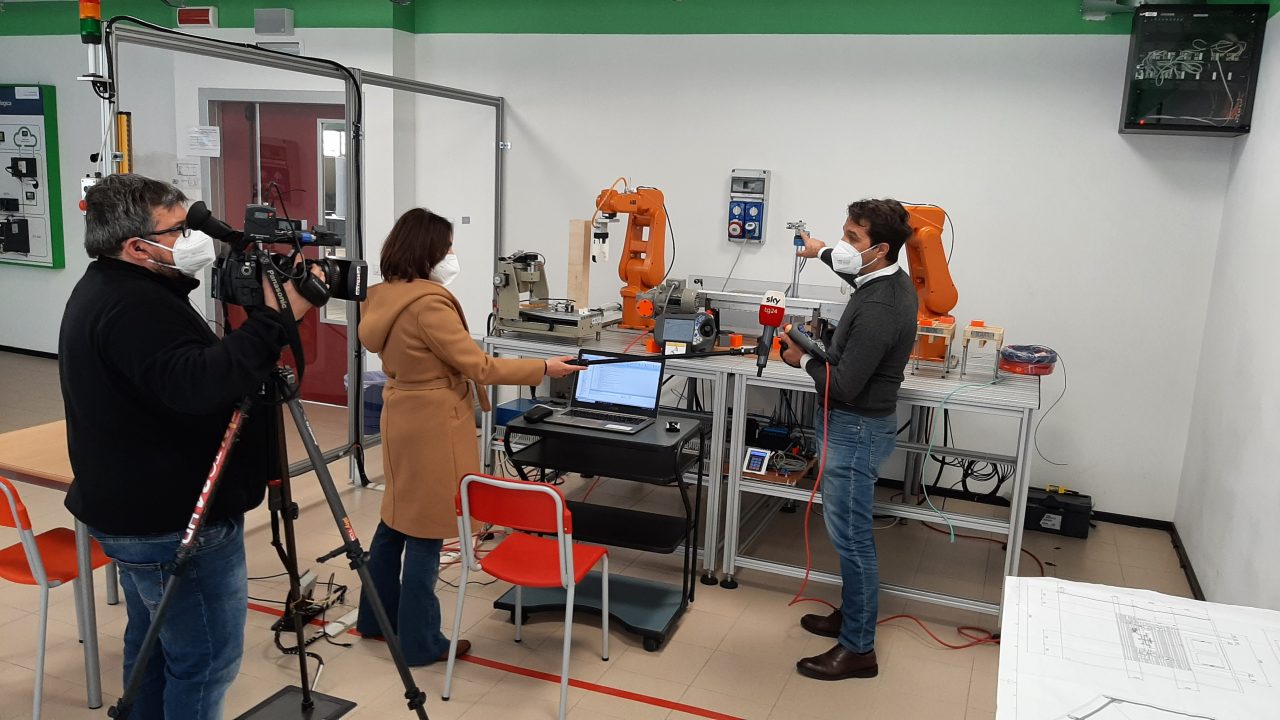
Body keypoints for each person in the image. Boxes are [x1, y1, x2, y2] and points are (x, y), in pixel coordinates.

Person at [59, 173, 315, 718]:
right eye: (178, 230)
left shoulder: (110, 289)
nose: (192, 240)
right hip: (173, 523)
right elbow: (200, 384)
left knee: (152, 649)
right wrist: (276, 318)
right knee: (204, 663)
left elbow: (179, 376)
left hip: (137, 511)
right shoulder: (134, 307)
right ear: (135, 247)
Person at [356, 208, 582, 666]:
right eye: (447, 247)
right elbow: (478, 366)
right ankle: (421, 643)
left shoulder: (381, 295)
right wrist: (544, 367)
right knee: (427, 531)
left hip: (401, 412)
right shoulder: (428, 304)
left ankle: (375, 619)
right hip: (432, 422)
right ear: (428, 251)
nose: (452, 254)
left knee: (394, 520)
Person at [778, 198, 918, 681]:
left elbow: (844, 385)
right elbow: (848, 268)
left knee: (853, 540)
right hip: (855, 427)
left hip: (855, 429)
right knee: (847, 535)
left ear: (880, 249)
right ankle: (851, 617)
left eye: (852, 239)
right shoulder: (885, 279)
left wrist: (800, 360)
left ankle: (859, 648)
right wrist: (818, 250)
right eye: (843, 233)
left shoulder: (880, 306)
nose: (843, 245)